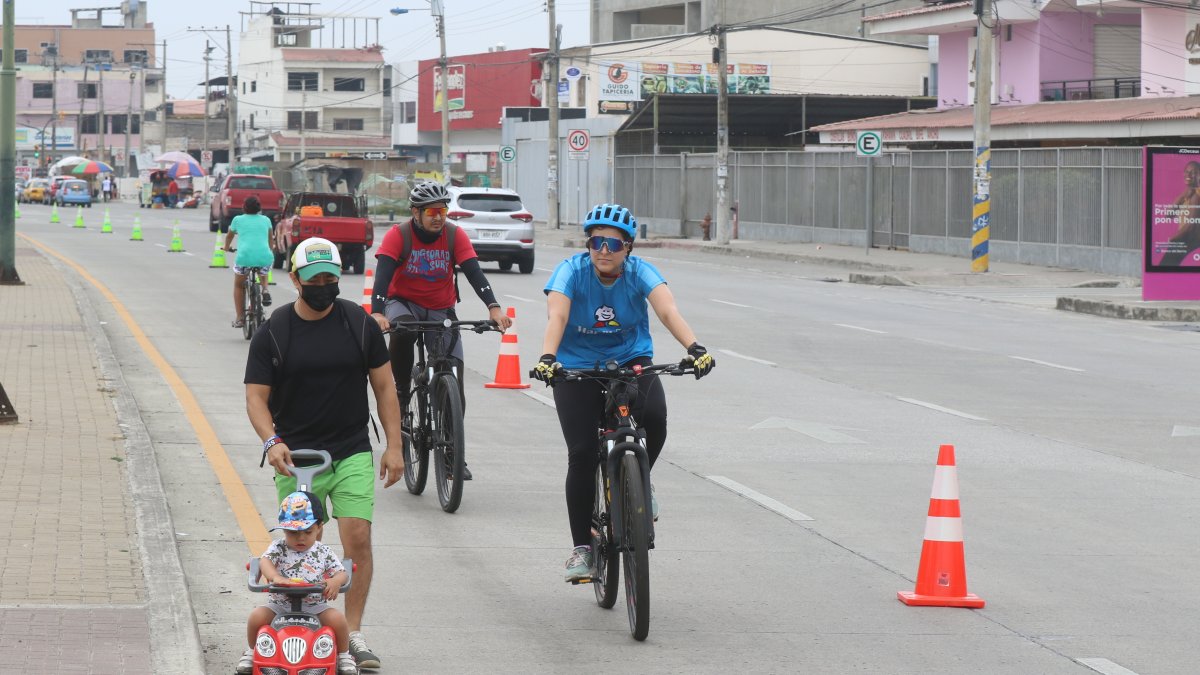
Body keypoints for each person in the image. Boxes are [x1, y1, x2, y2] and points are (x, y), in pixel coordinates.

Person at [531, 203, 715, 582]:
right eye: (596, 242)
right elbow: (558, 316)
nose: (604, 250)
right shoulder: (571, 271)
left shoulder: (640, 272)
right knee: (582, 454)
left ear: (628, 248)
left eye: (613, 245)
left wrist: (694, 347)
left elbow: (667, 310)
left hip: (631, 360)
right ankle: (583, 548)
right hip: (576, 366)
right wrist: (548, 357)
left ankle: (640, 483)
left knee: (656, 418)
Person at [244, 237, 405, 670]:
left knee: (357, 541)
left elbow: (385, 386)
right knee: (297, 546)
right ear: (295, 279)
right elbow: (256, 398)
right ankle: (290, 627)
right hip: (294, 456)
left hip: (350, 448)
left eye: (331, 278)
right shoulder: (274, 331)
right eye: (314, 279)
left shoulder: (359, 324)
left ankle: (348, 633)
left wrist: (395, 444)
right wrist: (271, 441)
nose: (324, 286)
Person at [368, 181, 512, 480]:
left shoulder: (453, 235)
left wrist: (493, 307)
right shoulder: (400, 235)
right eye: (432, 211)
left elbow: (474, 272)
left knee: (453, 377)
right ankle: (402, 390)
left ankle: (451, 455)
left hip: (440, 308)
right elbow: (382, 277)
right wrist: (379, 312)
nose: (438, 216)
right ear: (416, 213)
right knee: (404, 329)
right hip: (403, 303)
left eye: (443, 210)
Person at [237, 491, 357, 675]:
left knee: (338, 620)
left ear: (319, 527)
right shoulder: (279, 547)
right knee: (256, 616)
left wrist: (334, 581)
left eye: (307, 532)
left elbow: (342, 573)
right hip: (280, 604)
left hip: (314, 605)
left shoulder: (323, 551)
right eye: (292, 532)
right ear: (284, 530)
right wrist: (275, 577)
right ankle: (252, 651)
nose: (300, 538)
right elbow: (265, 561)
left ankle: (344, 655)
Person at [224, 195, 274, 328]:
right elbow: (270, 240)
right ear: (259, 208)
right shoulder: (266, 220)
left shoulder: (238, 220)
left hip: (244, 257)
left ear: (244, 207)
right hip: (264, 256)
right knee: (263, 271)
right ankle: (264, 290)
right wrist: (270, 251)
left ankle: (240, 318)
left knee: (238, 285)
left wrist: (227, 248)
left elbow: (229, 236)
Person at [1158, 161, 1200, 267]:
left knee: (1165, 266)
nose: (1189, 175)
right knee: (1169, 267)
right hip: (1185, 238)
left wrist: (1173, 239)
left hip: (1188, 239)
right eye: (1187, 171)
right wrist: (1183, 195)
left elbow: (1191, 224)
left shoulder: (1197, 195)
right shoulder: (1188, 193)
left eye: (1194, 172)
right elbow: (1169, 215)